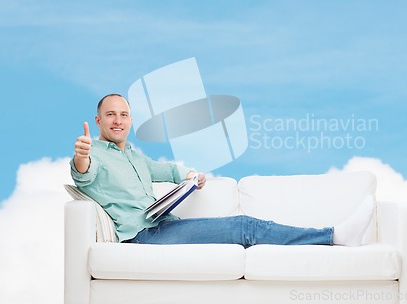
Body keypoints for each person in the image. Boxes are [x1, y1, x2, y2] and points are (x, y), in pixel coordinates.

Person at [71, 94, 375, 247]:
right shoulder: (93, 152)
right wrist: (82, 156)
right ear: (98, 121)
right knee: (244, 226)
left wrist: (191, 177)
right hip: (142, 237)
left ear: (131, 121)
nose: (118, 120)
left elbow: (164, 169)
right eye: (110, 115)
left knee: (242, 226)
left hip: (163, 225)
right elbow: (83, 173)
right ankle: (333, 236)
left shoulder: (134, 156)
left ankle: (332, 236)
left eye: (124, 115)